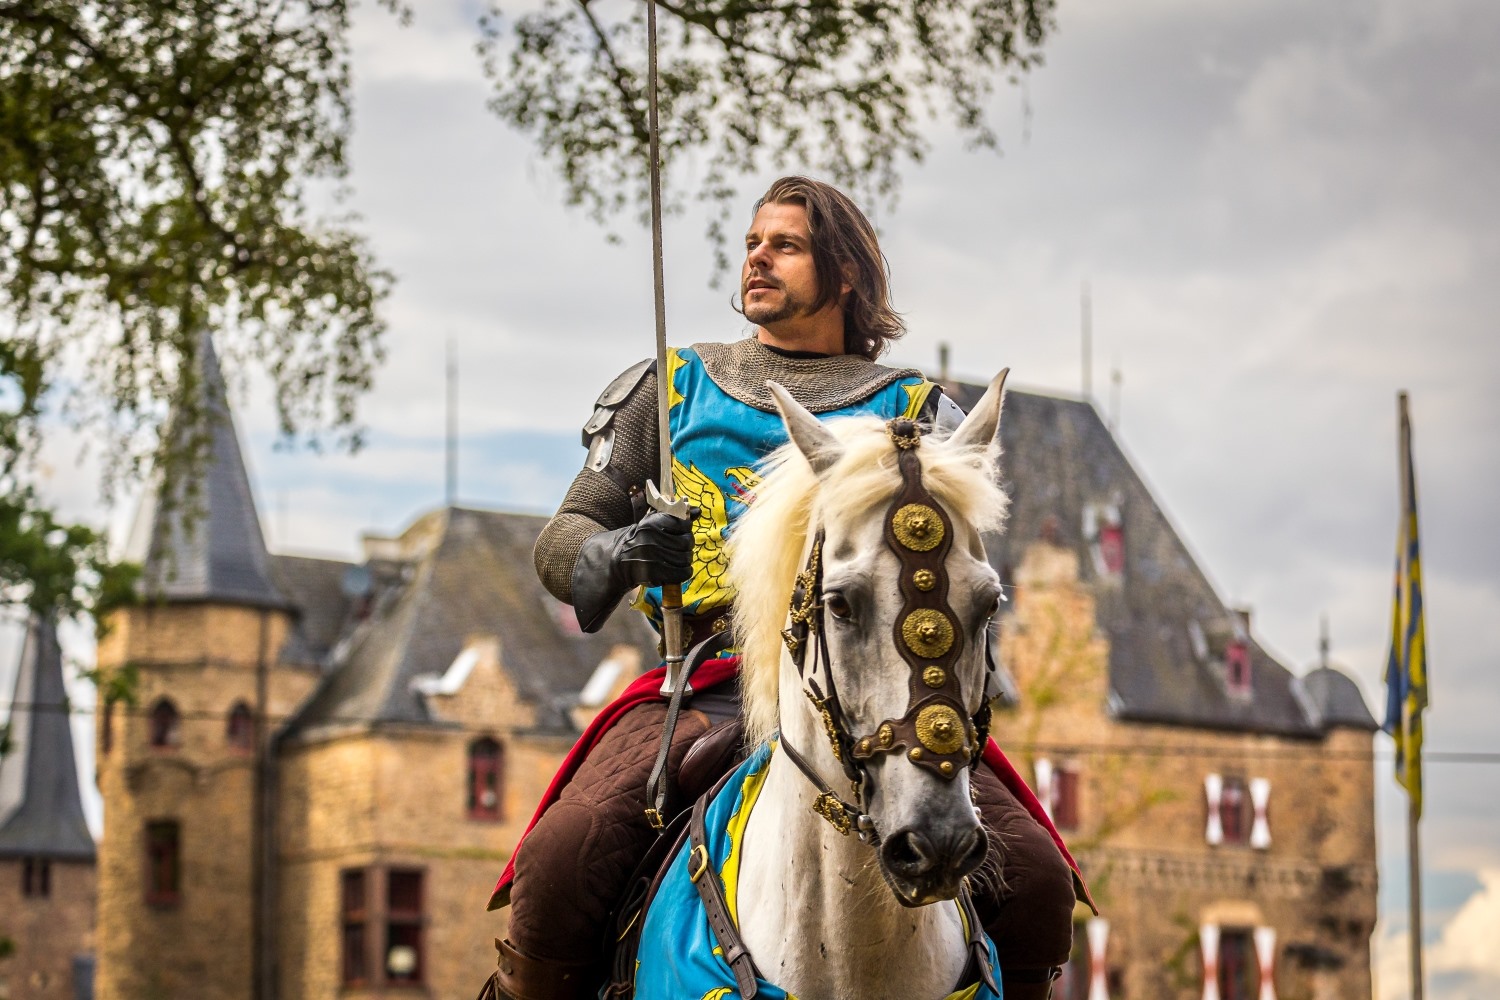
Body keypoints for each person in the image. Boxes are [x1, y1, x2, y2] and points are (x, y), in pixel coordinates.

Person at [485, 176, 1087, 1000]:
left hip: (882, 690)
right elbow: (562, 540)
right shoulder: (670, 388)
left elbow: (952, 577)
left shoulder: (915, 412)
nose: (756, 259)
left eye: (785, 245)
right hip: (705, 686)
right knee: (561, 862)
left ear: (843, 274)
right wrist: (623, 551)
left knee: (1042, 885)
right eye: (752, 243)